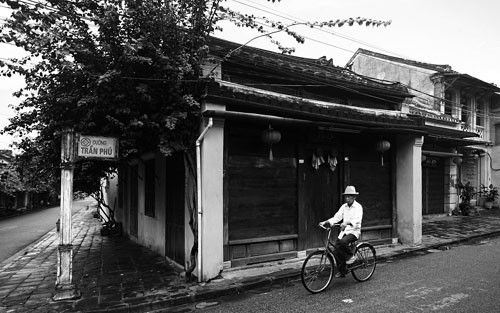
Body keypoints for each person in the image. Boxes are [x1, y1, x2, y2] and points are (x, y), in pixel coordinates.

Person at [319, 185, 363, 278]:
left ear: (354, 197)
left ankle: (351, 257)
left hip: (354, 232)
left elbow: (357, 220)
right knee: (336, 251)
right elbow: (337, 217)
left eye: (350, 196)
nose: (347, 198)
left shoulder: (358, 207)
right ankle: (343, 270)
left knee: (343, 242)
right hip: (344, 232)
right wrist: (326, 222)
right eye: (346, 196)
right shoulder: (344, 207)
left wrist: (346, 222)